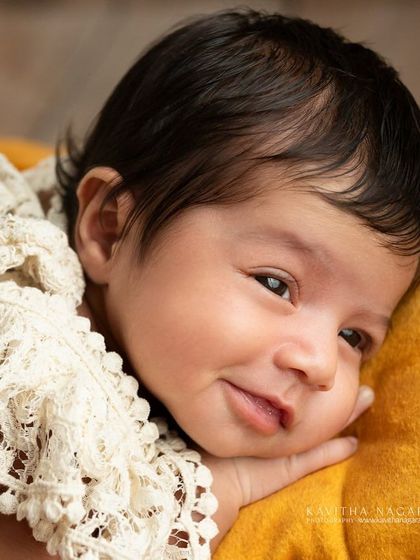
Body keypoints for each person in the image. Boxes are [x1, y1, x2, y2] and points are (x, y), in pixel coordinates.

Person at [0, 8, 418, 560]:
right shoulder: (34, 355)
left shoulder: (148, 345)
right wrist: (221, 491)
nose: (319, 364)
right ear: (110, 228)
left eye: (354, 338)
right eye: (275, 283)